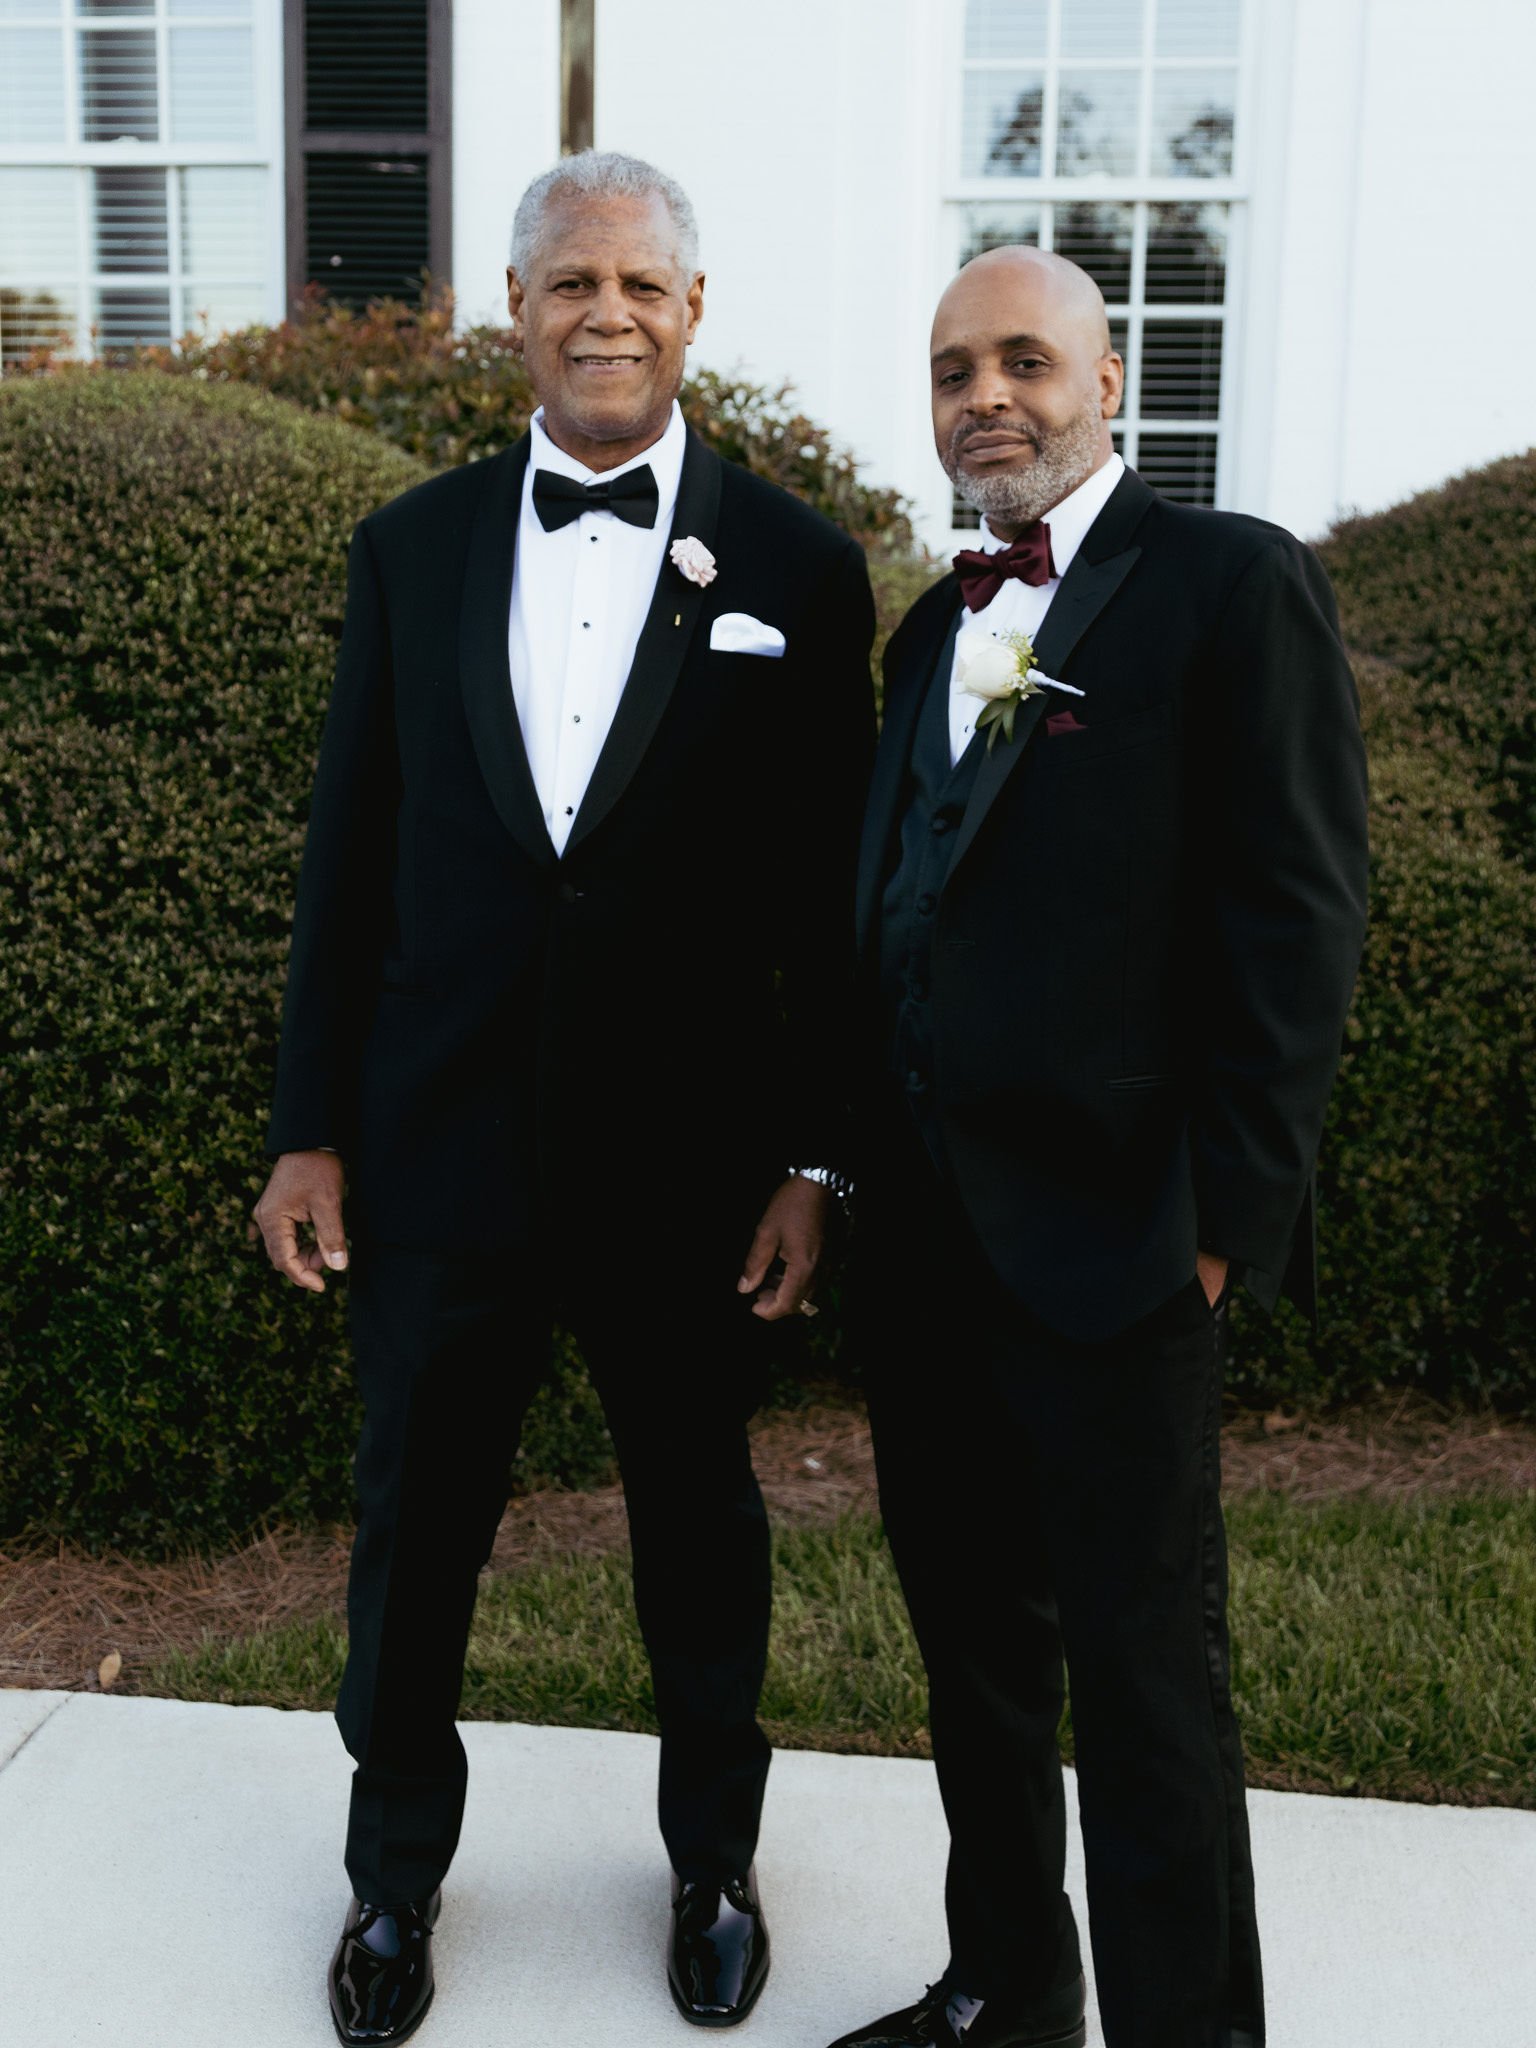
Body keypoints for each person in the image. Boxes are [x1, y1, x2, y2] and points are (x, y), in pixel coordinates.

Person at [250, 149, 874, 2045]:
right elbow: (348, 860)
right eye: (567, 282)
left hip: (689, 1176)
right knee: (412, 1539)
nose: (605, 311)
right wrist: (308, 1123)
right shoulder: (412, 547)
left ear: (695, 314)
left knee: (698, 1526)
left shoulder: (797, 569)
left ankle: (712, 1865)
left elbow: (831, 908)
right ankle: (389, 1892)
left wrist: (816, 1158)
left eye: (641, 284)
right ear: (513, 312)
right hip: (440, 1154)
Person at [831, 247, 1368, 2048]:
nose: (986, 395)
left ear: (1110, 376)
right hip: (927, 1254)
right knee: (976, 1668)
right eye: (952, 369)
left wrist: (1223, 1220)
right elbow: (902, 914)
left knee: (1149, 1686)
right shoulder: (931, 628)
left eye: (1024, 361)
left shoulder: (1226, 586)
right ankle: (1006, 1992)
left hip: (1121, 1240)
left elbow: (1294, 921)